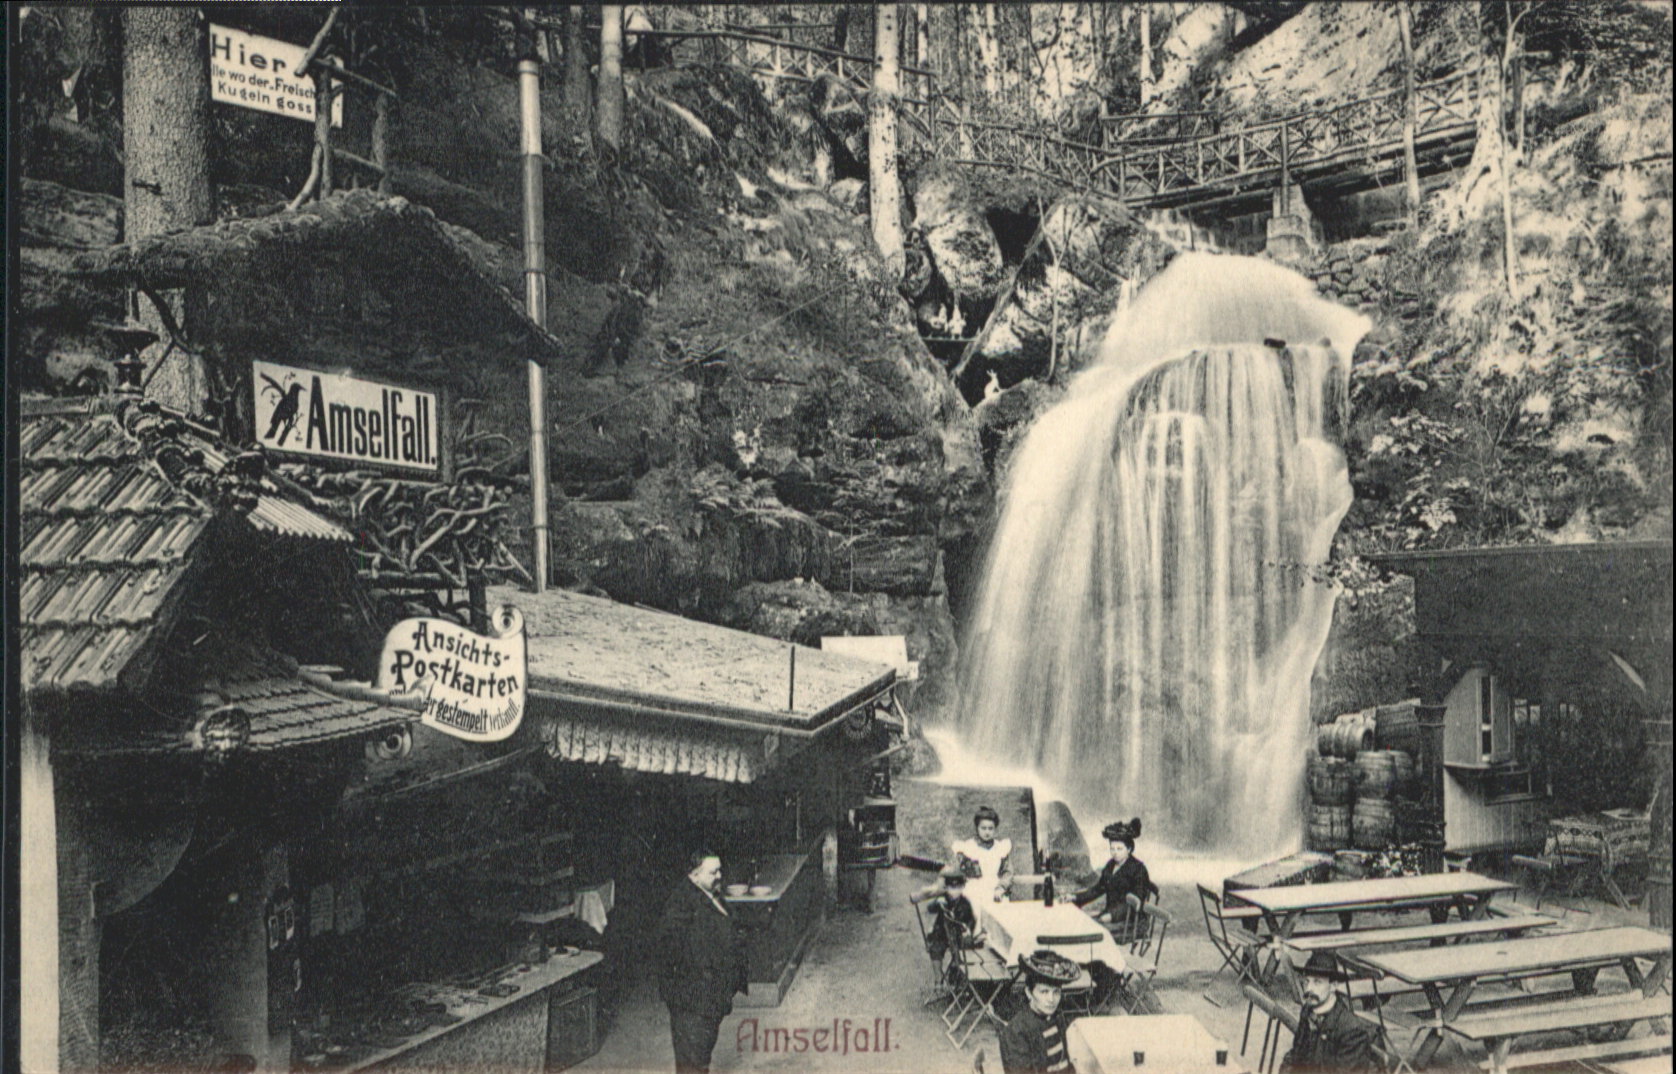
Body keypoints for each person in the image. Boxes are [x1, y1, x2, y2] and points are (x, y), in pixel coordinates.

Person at [653, 849, 748, 1074]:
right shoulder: (680, 906)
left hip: (708, 997)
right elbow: (673, 953)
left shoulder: (708, 893)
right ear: (694, 875)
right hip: (693, 999)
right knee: (692, 1061)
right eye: (713, 872)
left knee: (701, 1055)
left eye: (719, 870)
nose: (719, 876)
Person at [1280, 951, 1382, 1072]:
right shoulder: (1308, 1011)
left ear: (1333, 986)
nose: (1309, 989)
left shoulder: (1352, 1031)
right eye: (1307, 981)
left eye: (1317, 982)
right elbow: (1295, 1057)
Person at [1072, 819, 1157, 941]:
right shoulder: (1111, 865)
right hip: (1110, 916)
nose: (1115, 853)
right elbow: (1098, 889)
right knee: (1084, 927)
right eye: (1112, 848)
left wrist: (1112, 916)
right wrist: (1076, 897)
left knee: (1093, 935)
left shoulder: (1139, 869)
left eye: (1119, 849)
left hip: (1131, 922)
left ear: (1129, 849)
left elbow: (1136, 903)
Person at [998, 949, 1080, 1074]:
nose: (1051, 999)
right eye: (1044, 992)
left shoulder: (1058, 1018)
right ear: (1029, 993)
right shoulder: (1016, 1032)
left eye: (1056, 992)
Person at [910, 865, 987, 965]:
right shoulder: (942, 898)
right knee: (935, 949)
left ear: (962, 887)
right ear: (946, 887)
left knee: (962, 952)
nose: (954, 890)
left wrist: (968, 929)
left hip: (958, 936)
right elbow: (930, 909)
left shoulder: (965, 903)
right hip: (941, 933)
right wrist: (936, 902)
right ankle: (938, 977)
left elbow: (972, 920)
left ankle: (956, 968)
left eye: (958, 887)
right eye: (951, 887)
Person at [952, 805, 1014, 901]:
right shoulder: (967, 847)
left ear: (995, 829)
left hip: (995, 891)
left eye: (990, 828)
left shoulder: (1001, 848)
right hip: (973, 892)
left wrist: (1001, 888)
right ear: (977, 828)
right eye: (983, 828)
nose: (987, 832)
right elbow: (955, 871)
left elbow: (1007, 872)